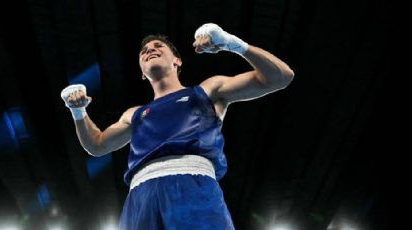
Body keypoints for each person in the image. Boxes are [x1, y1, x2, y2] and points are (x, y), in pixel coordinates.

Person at [60, 23, 294, 229]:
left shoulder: (208, 91)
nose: (150, 50)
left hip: (192, 186)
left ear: (177, 60)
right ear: (142, 73)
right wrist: (78, 111)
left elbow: (281, 77)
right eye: (144, 51)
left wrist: (232, 44)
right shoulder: (134, 114)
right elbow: (97, 145)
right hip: (140, 198)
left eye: (158, 47)